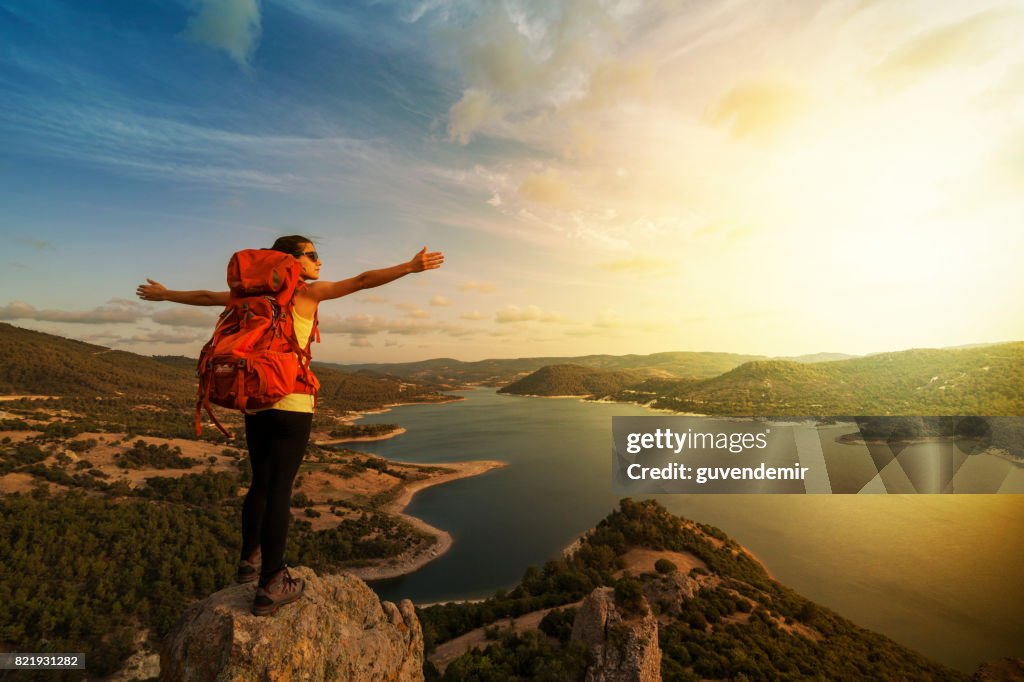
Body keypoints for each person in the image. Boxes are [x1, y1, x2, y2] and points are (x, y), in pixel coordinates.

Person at [136, 235, 444, 615]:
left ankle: (248, 562)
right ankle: (272, 581)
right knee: (281, 489)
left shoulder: (247, 298)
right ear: (292, 261)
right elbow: (362, 281)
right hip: (291, 400)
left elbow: (203, 296)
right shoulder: (305, 294)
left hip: (254, 399)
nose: (320, 262)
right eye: (313, 255)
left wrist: (166, 295)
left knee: (260, 483)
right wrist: (409, 268)